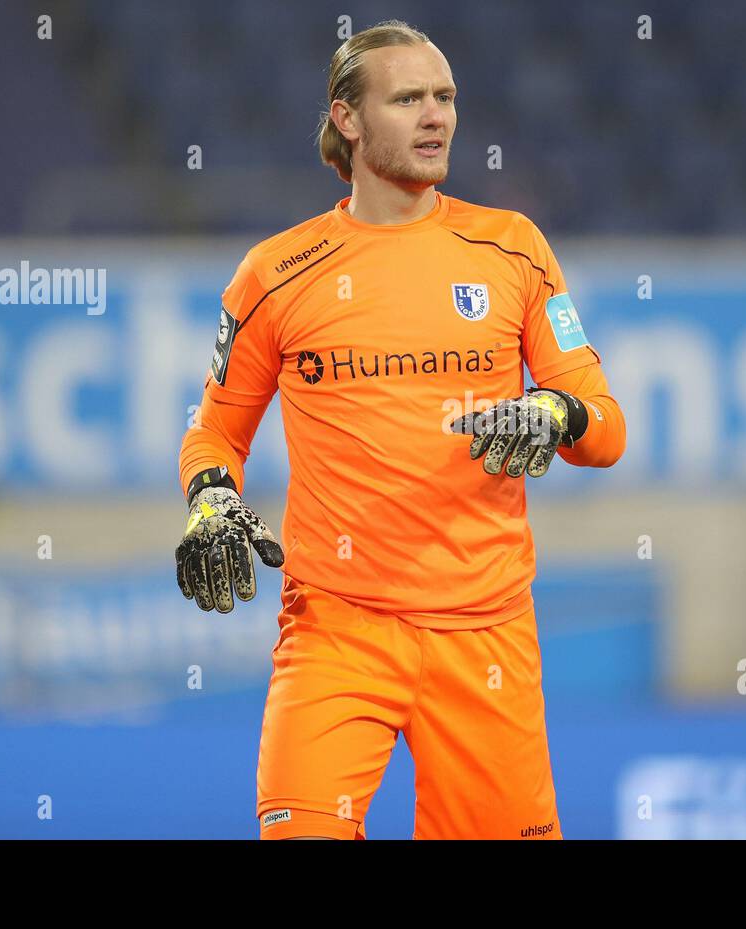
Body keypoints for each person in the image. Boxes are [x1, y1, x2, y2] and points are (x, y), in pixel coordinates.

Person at [174, 20, 625, 839]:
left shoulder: (512, 249)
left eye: (445, 97)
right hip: (336, 631)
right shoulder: (274, 274)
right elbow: (213, 434)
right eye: (409, 98)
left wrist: (554, 411)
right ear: (347, 119)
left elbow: (604, 427)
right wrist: (210, 501)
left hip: (486, 633)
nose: (436, 118)